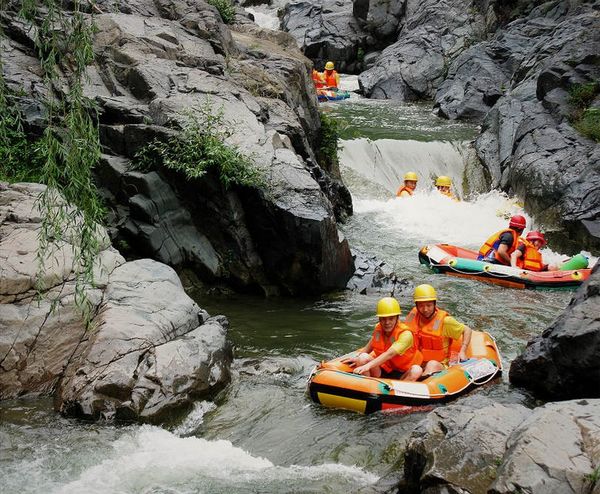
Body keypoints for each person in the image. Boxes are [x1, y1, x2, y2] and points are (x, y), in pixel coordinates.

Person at [402, 284, 472, 381]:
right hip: (416, 362)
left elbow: (467, 330)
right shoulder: (413, 316)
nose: (425, 309)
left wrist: (463, 351)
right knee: (414, 369)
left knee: (432, 364)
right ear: (416, 305)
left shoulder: (446, 321)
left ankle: (423, 385)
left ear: (435, 304)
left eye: (429, 305)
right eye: (421, 306)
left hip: (439, 364)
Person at [343, 297, 422, 378]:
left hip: (402, 373)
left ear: (397, 318)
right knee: (363, 357)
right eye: (383, 319)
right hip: (383, 369)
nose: (387, 322)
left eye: (391, 319)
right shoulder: (378, 329)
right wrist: (357, 358)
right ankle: (367, 386)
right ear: (379, 319)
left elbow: (389, 354)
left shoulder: (406, 334)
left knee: (417, 370)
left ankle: (397, 390)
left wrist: (367, 366)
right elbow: (368, 347)